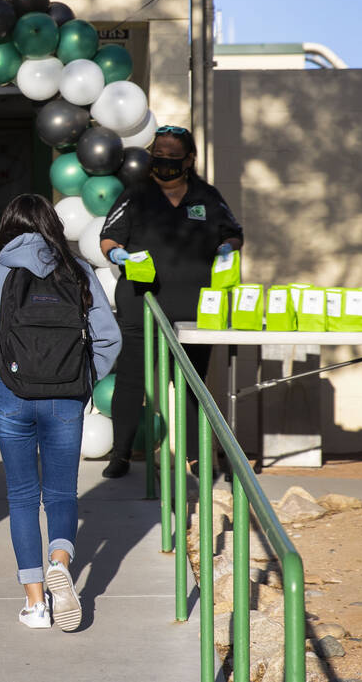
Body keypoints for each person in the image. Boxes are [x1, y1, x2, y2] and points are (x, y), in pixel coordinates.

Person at [0, 194, 121, 630]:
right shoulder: (78, 270)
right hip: (67, 394)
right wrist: (83, 379)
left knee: (23, 497)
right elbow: (109, 339)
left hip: (12, 394)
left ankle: (35, 604)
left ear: (7, 228)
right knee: (63, 493)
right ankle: (61, 562)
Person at [98, 126, 243, 479]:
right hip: (140, 304)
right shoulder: (135, 195)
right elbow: (108, 236)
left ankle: (196, 458)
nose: (163, 163)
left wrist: (227, 248)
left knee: (192, 383)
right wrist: (117, 254)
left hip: (195, 310)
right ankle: (120, 455)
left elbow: (233, 232)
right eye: (157, 156)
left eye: (171, 157)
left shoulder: (206, 197)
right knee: (132, 379)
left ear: (189, 160)